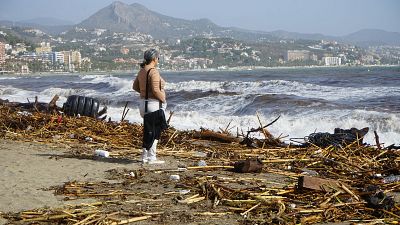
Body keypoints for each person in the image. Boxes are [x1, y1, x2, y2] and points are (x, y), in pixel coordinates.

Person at [133, 49, 167, 164]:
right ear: (154, 59)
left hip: (143, 104)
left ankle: (144, 157)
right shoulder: (153, 71)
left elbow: (135, 87)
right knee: (155, 131)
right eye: (158, 58)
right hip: (152, 105)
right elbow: (156, 90)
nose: (158, 60)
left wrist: (144, 92)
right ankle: (151, 158)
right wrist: (163, 98)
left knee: (148, 131)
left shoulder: (142, 71)